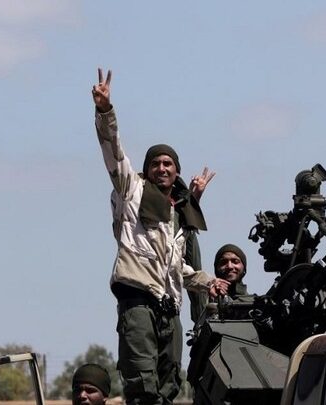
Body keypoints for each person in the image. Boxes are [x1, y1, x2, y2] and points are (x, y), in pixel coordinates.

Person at [91, 68, 230, 405]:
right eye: (156, 163)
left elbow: (176, 267)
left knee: (169, 385)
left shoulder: (176, 216)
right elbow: (113, 152)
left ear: (176, 170)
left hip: (170, 308)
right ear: (147, 169)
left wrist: (207, 282)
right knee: (143, 386)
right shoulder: (132, 191)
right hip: (139, 300)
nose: (162, 168)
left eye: (168, 163)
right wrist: (105, 111)